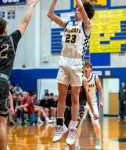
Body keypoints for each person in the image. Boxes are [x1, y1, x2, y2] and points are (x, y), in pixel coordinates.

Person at [0, 0, 39, 149]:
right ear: (5, 29)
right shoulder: (12, 39)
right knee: (1, 125)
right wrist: (31, 6)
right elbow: (24, 22)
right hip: (1, 81)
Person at [47, 0, 95, 145]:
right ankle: (60, 126)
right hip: (63, 61)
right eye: (75, 10)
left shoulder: (87, 25)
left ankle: (73, 128)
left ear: (85, 13)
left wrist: (80, 5)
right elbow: (50, 14)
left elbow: (81, 5)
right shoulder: (68, 24)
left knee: (74, 98)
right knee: (61, 96)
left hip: (76, 63)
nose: (76, 12)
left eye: (78, 10)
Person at [64, 77, 99, 150]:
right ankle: (73, 145)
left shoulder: (83, 80)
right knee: (67, 131)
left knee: (72, 128)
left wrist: (93, 111)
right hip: (68, 107)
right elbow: (61, 97)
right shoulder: (66, 79)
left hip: (80, 107)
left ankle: (76, 144)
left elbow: (87, 96)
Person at [83, 61, 104, 149]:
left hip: (93, 102)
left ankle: (98, 140)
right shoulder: (81, 78)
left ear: (91, 68)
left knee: (95, 123)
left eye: (88, 67)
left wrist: (101, 101)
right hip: (83, 103)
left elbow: (100, 89)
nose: (86, 68)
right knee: (78, 124)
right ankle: (76, 143)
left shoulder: (95, 77)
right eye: (85, 67)